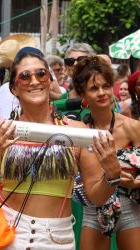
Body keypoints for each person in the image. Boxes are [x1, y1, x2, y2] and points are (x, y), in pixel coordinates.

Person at [0, 47, 121, 249]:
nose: (34, 81)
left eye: (41, 73)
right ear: (14, 87)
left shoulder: (76, 133)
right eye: (25, 76)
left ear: (49, 79)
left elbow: (96, 196)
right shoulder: (2, 131)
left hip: (57, 238)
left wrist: (112, 175)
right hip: (8, 234)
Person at [72, 56, 140, 250]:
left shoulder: (132, 127)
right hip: (94, 212)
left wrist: (132, 182)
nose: (102, 93)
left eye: (106, 86)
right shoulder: (79, 132)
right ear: (82, 94)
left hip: (131, 210)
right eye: (94, 88)